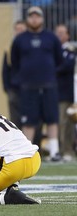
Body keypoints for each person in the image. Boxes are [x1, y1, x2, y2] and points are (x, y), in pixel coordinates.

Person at [11, 6, 63, 161]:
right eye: (31, 16)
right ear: (27, 18)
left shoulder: (51, 37)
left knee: (52, 118)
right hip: (28, 86)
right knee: (29, 121)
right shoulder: (20, 39)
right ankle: (28, 153)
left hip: (49, 84)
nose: (34, 19)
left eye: (37, 16)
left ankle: (54, 152)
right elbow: (15, 62)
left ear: (42, 18)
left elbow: (59, 59)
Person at [55, 24, 77, 161]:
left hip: (65, 91)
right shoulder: (53, 49)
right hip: (53, 91)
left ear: (68, 35)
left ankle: (67, 150)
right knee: (56, 123)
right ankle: (58, 150)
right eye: (57, 32)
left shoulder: (70, 49)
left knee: (65, 123)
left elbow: (67, 65)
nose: (59, 35)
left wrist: (51, 70)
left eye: (62, 33)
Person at [2, 20, 27, 129]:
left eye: (22, 30)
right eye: (17, 30)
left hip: (29, 88)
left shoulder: (30, 47)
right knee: (15, 119)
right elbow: (5, 69)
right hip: (14, 88)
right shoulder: (9, 48)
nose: (19, 32)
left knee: (31, 119)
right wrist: (7, 88)